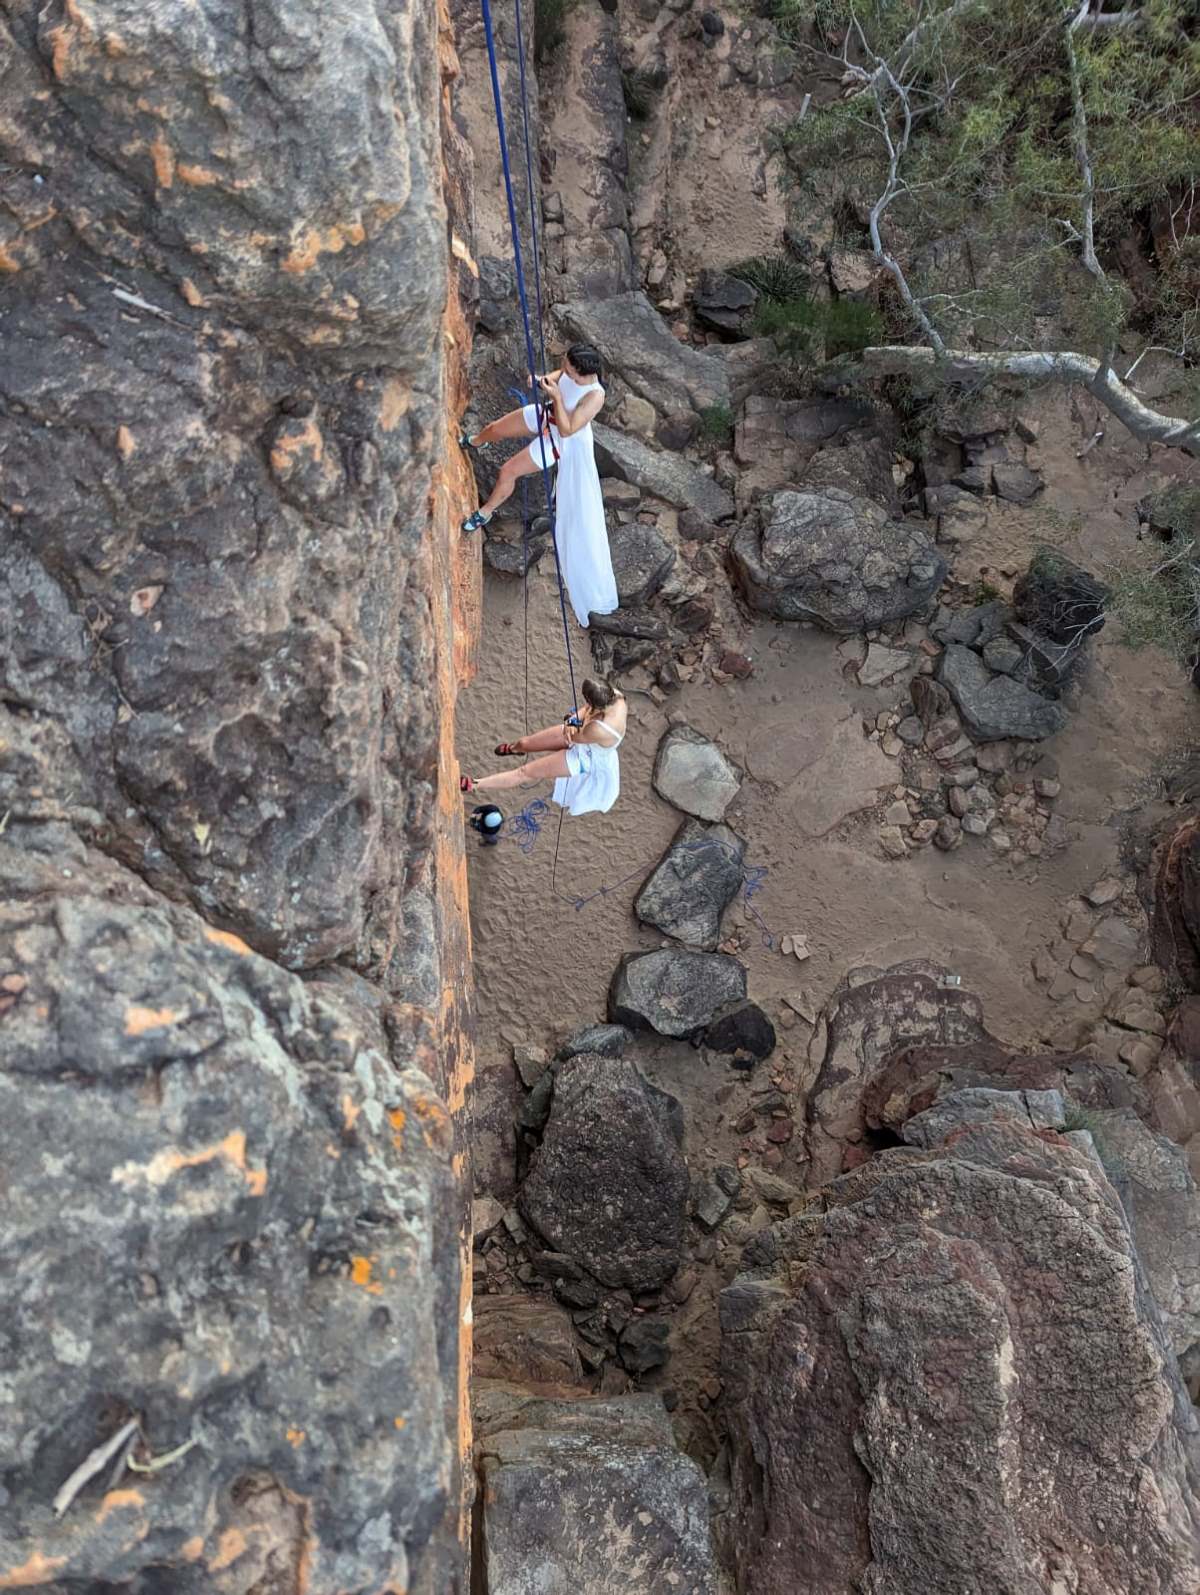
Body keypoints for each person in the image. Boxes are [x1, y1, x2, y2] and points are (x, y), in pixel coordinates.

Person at [460, 343, 618, 628]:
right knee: (496, 428)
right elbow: (561, 373)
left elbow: (570, 429)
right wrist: (546, 379)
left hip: (560, 441)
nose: (564, 369)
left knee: (508, 470)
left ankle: (485, 512)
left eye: (569, 369)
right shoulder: (571, 372)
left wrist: (556, 395)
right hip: (548, 415)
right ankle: (473, 441)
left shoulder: (595, 397)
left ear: (582, 374)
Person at [459, 678, 626, 816]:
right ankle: (515, 748)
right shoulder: (614, 696)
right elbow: (585, 709)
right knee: (525, 743)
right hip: (580, 732)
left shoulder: (601, 728)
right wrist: (572, 719)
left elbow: (575, 737)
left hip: (586, 755)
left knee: (524, 772)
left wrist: (572, 724)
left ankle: (475, 784)